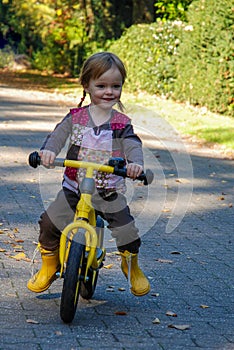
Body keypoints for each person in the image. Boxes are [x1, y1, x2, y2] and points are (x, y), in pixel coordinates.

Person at [27, 52, 150, 296]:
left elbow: (133, 144)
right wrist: (48, 152)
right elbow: (57, 136)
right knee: (49, 222)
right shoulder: (77, 118)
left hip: (108, 190)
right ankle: (49, 266)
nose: (109, 92)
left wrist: (135, 164)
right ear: (87, 85)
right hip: (75, 187)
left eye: (116, 86)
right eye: (101, 85)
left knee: (126, 228)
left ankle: (131, 264)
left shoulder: (121, 123)